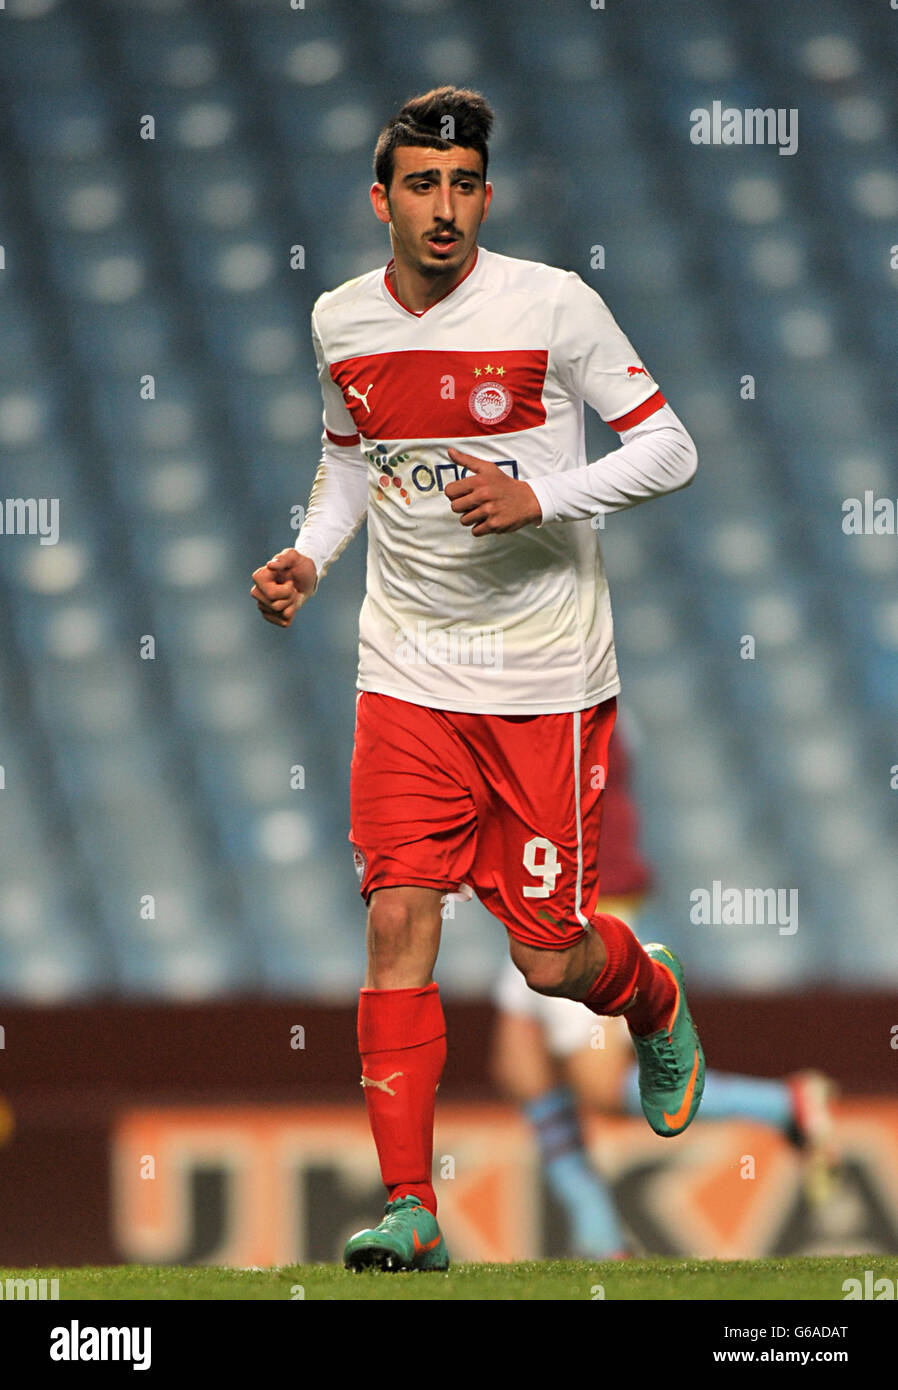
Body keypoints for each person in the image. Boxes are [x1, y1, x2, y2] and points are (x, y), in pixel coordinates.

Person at [250, 85, 703, 1273]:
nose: (442, 207)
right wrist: (310, 551)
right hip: (402, 670)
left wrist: (541, 494)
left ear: (484, 196)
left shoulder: (553, 305)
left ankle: (650, 1000)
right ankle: (412, 1205)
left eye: (462, 186)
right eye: (419, 185)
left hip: (542, 677)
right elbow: (351, 459)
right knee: (399, 918)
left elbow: (670, 444)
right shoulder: (340, 320)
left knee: (548, 959)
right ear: (381, 198)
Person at [491, 722, 835, 1258]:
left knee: (599, 1086)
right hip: (541, 903)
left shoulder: (569, 715)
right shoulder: (561, 708)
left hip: (584, 908)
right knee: (519, 1064)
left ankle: (784, 1106)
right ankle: (601, 1238)